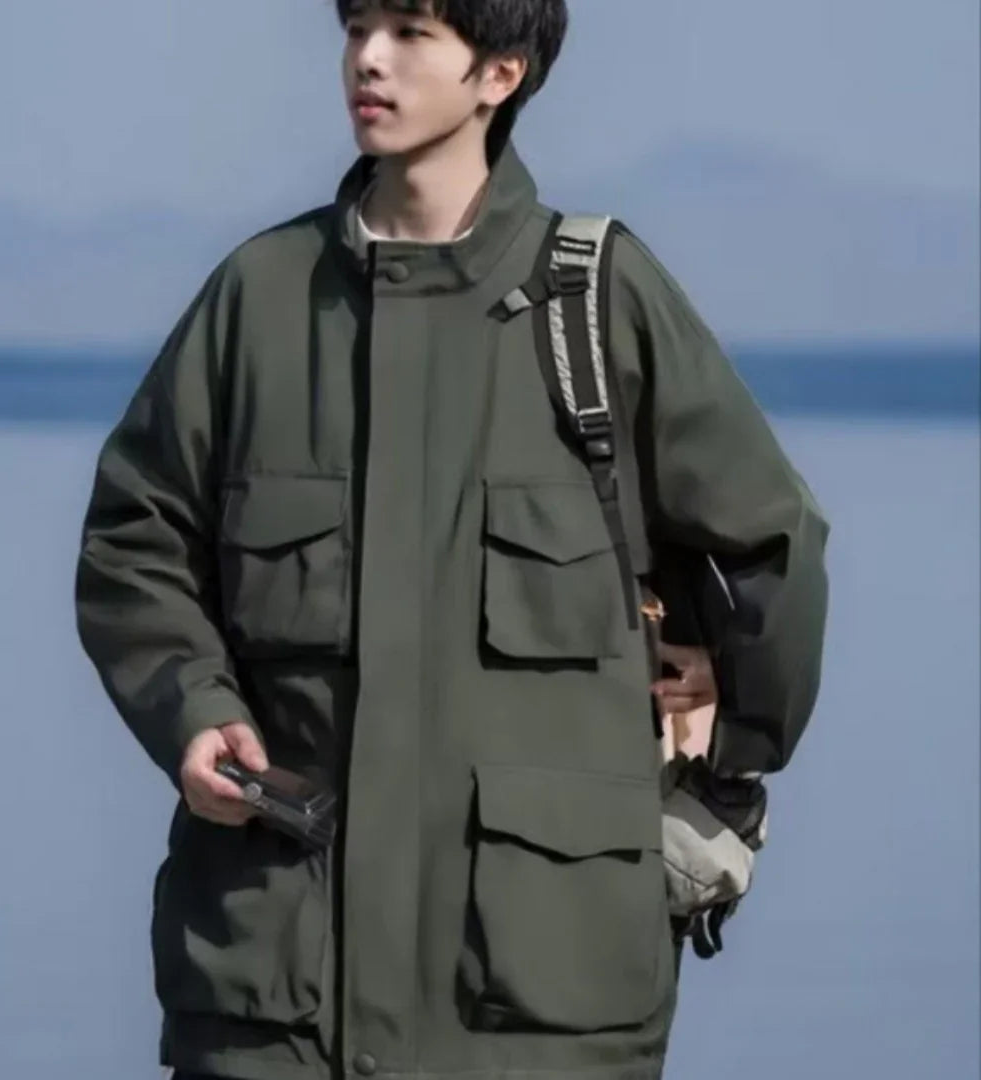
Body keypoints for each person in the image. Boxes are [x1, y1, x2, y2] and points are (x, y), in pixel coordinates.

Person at [74, 1, 830, 1078]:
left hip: (537, 1016)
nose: (368, 60)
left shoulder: (599, 303)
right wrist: (194, 712)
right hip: (277, 1009)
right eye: (357, 28)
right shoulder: (261, 300)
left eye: (411, 32)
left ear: (500, 73)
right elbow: (133, 538)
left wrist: (727, 770)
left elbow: (774, 547)